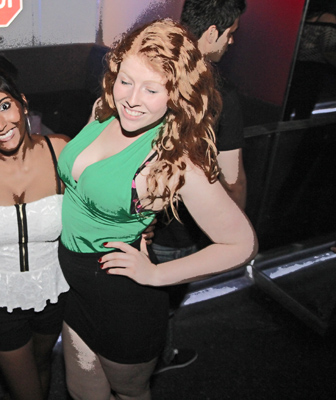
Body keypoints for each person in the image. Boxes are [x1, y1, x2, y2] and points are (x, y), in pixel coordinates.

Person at [57, 19, 257, 399]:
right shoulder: (103, 110)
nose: (132, 99)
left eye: (151, 89)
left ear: (176, 94)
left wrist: (156, 274)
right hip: (77, 287)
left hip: (123, 300)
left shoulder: (174, 160)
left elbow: (240, 244)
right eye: (126, 81)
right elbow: (82, 185)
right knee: (81, 392)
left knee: (129, 393)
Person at [0, 53, 70, 400]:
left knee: (42, 364)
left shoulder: (58, 150)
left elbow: (94, 206)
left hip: (53, 289)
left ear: (22, 103)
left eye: (5, 106)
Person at [151, 0, 248, 374]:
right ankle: (154, 360)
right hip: (180, 229)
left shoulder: (150, 72)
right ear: (211, 33)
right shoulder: (221, 95)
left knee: (140, 298)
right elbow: (233, 178)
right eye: (230, 33)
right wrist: (233, 229)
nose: (232, 41)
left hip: (136, 219)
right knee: (164, 302)